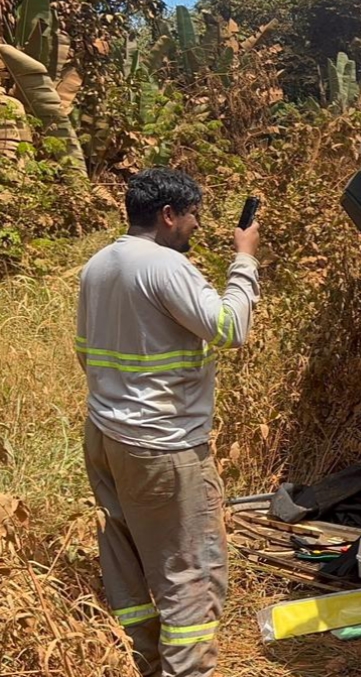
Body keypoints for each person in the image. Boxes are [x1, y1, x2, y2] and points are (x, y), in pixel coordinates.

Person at [76, 168, 261, 677]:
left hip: (106, 435)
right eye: (194, 216)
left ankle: (144, 663)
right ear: (168, 215)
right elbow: (230, 328)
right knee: (191, 573)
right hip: (163, 446)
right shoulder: (164, 267)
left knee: (129, 558)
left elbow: (84, 353)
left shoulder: (97, 265)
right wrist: (244, 258)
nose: (197, 226)